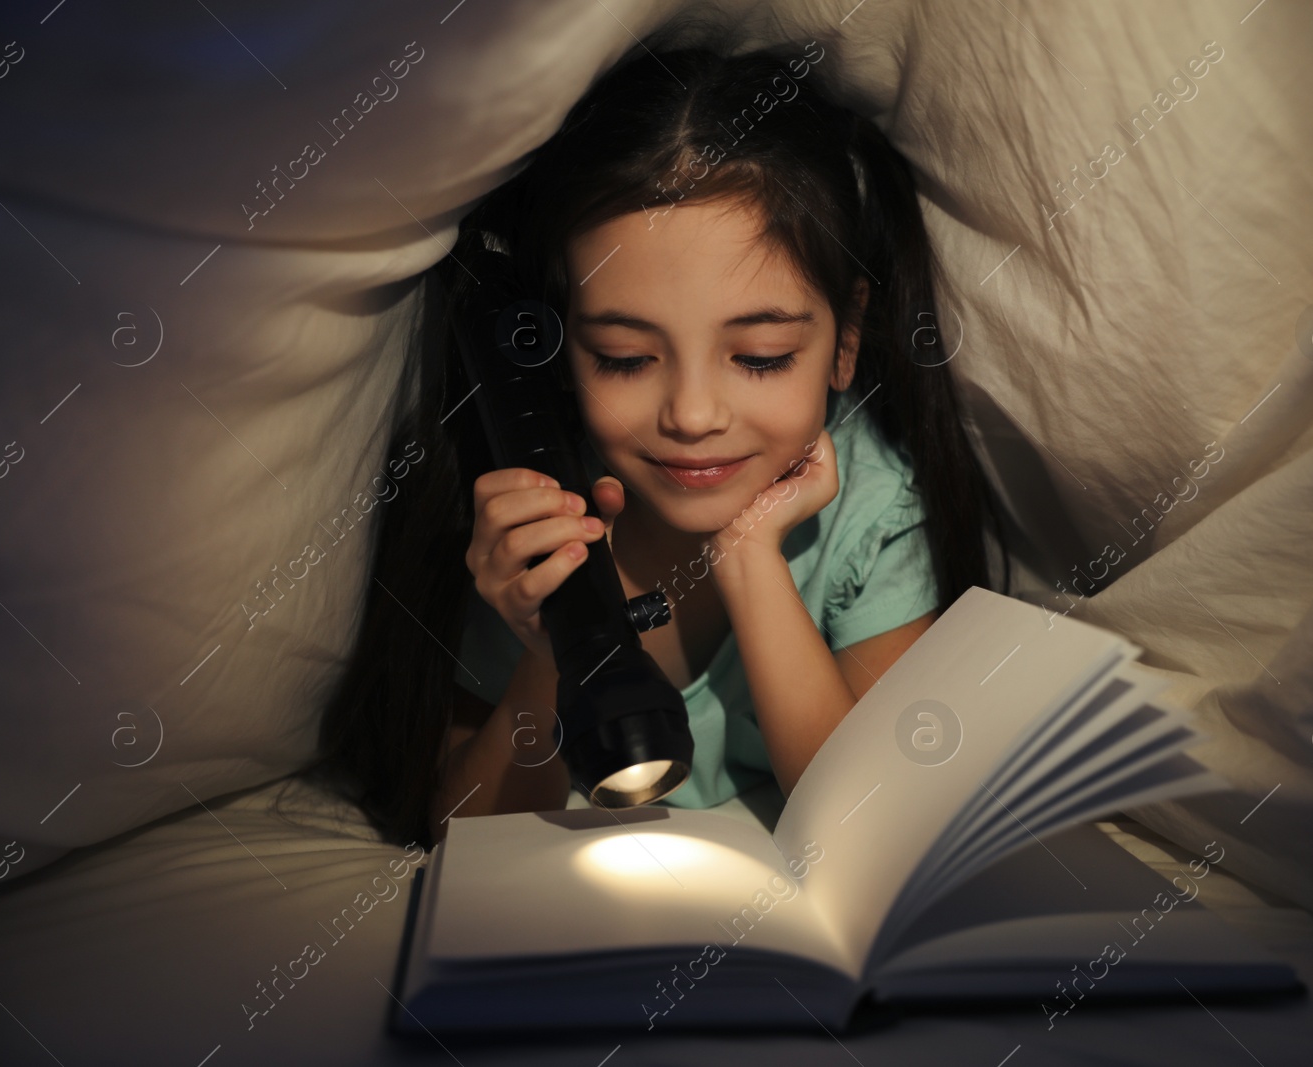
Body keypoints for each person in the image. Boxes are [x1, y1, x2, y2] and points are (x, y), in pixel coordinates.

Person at [306, 35, 1010, 850]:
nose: (693, 413)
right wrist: (554, 644)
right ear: (560, 354)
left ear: (844, 340)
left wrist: (749, 561)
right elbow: (467, 837)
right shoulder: (536, 517)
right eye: (626, 358)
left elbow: (872, 823)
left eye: (760, 357)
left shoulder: (870, 512)